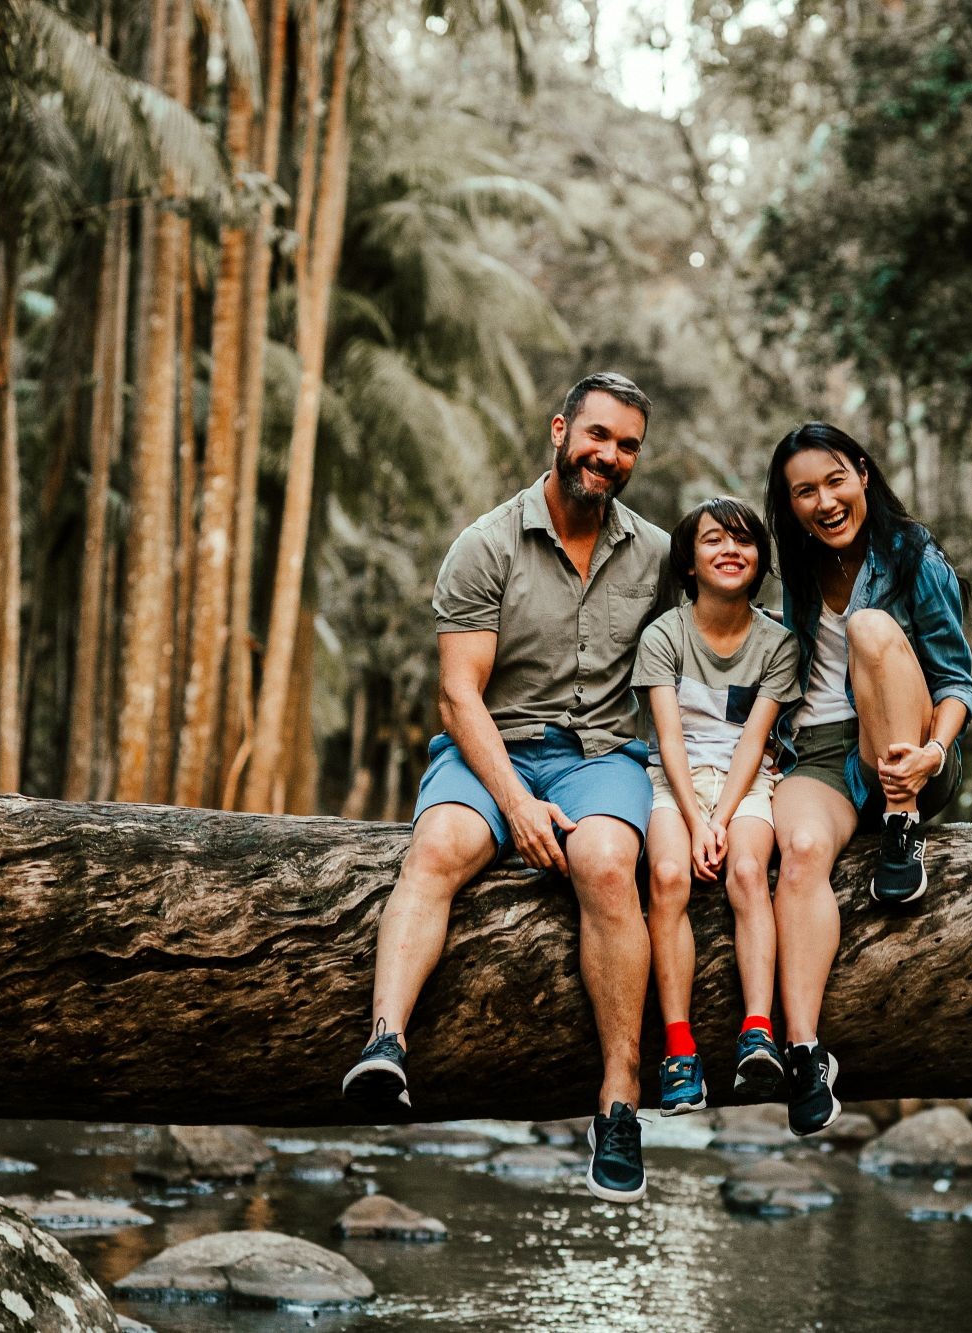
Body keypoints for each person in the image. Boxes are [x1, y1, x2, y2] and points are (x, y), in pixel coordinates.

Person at [341, 372, 672, 1205]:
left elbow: (717, 650)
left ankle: (620, 1101)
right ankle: (385, 1044)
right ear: (561, 430)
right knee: (442, 843)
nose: (609, 455)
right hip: (490, 746)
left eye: (627, 444)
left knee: (603, 863)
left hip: (601, 755)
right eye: (597, 435)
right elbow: (459, 695)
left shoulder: (661, 555)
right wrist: (517, 806)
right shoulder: (485, 544)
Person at [762, 421, 972, 1136]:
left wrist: (930, 755)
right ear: (787, 504)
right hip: (818, 753)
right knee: (798, 858)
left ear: (860, 471)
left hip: (907, 742)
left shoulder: (914, 554)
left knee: (872, 630)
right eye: (804, 492)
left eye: (834, 480)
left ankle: (901, 826)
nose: (824, 501)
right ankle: (804, 1051)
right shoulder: (793, 567)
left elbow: (956, 683)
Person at [632, 499, 800, 1117]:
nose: (730, 550)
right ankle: (680, 1052)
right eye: (713, 541)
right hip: (671, 782)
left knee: (750, 874)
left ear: (759, 562)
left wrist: (722, 820)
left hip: (746, 783)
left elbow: (756, 741)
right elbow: (669, 740)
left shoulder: (778, 642)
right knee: (669, 876)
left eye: (744, 541)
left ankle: (758, 1031)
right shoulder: (663, 636)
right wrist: (695, 817)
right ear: (690, 561)